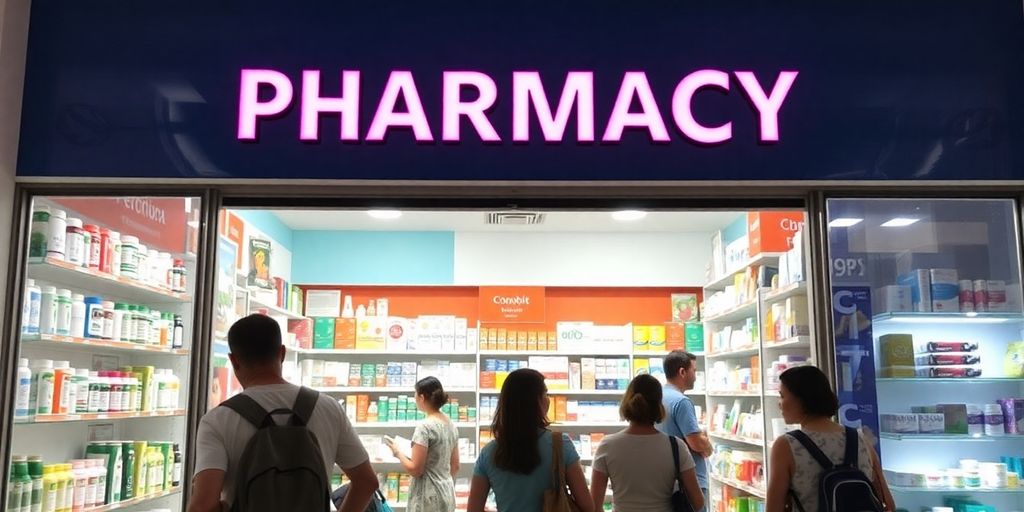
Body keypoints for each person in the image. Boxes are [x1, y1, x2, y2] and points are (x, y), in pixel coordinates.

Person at [187, 314, 379, 512]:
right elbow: (367, 482)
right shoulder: (327, 407)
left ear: (234, 360)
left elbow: (203, 506)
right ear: (282, 353)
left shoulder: (218, 419)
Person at [765, 366, 896, 512]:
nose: (779, 403)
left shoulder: (786, 446)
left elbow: (773, 508)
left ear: (801, 399)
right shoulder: (861, 439)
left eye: (782, 396)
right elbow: (888, 504)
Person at [468, 368, 594, 512]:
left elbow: (473, 509)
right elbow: (587, 506)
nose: (548, 399)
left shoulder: (489, 452)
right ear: (536, 401)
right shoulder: (560, 445)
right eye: (545, 393)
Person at [590, 374, 704, 512]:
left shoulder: (607, 446)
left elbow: (594, 506)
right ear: (658, 405)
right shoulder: (676, 446)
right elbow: (698, 502)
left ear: (627, 402)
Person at [386, 376, 460, 512]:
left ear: (421, 397)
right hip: (447, 493)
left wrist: (397, 453)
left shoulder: (424, 427)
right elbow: (455, 466)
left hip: (427, 498)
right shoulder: (451, 425)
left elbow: (416, 469)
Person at [656, 350, 711, 511]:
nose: (695, 375)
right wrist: (706, 443)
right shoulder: (682, 402)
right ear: (682, 372)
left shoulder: (659, 397)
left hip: (668, 480)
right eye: (694, 370)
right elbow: (696, 443)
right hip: (690, 482)